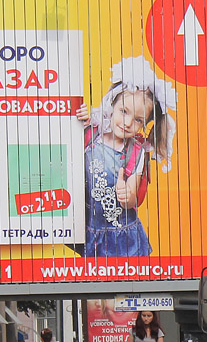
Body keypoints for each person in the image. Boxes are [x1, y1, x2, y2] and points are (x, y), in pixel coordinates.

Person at [76, 56, 177, 258]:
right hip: (91, 234)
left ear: (145, 124)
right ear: (111, 105)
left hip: (124, 241)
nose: (128, 122)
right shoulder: (90, 135)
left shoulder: (136, 152)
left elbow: (132, 197)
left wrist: (125, 196)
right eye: (124, 111)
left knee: (127, 288)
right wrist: (79, 116)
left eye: (138, 120)